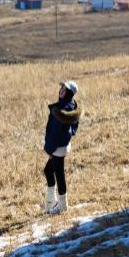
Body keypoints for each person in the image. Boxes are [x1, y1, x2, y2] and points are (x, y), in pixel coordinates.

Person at [43, 80, 82, 214]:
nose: (60, 90)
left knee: (59, 175)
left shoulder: (62, 110)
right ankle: (51, 202)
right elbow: (74, 127)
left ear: (69, 93)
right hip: (62, 145)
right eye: (61, 88)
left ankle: (62, 206)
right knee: (49, 170)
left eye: (64, 89)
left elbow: (55, 133)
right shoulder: (71, 106)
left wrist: (50, 150)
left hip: (57, 147)